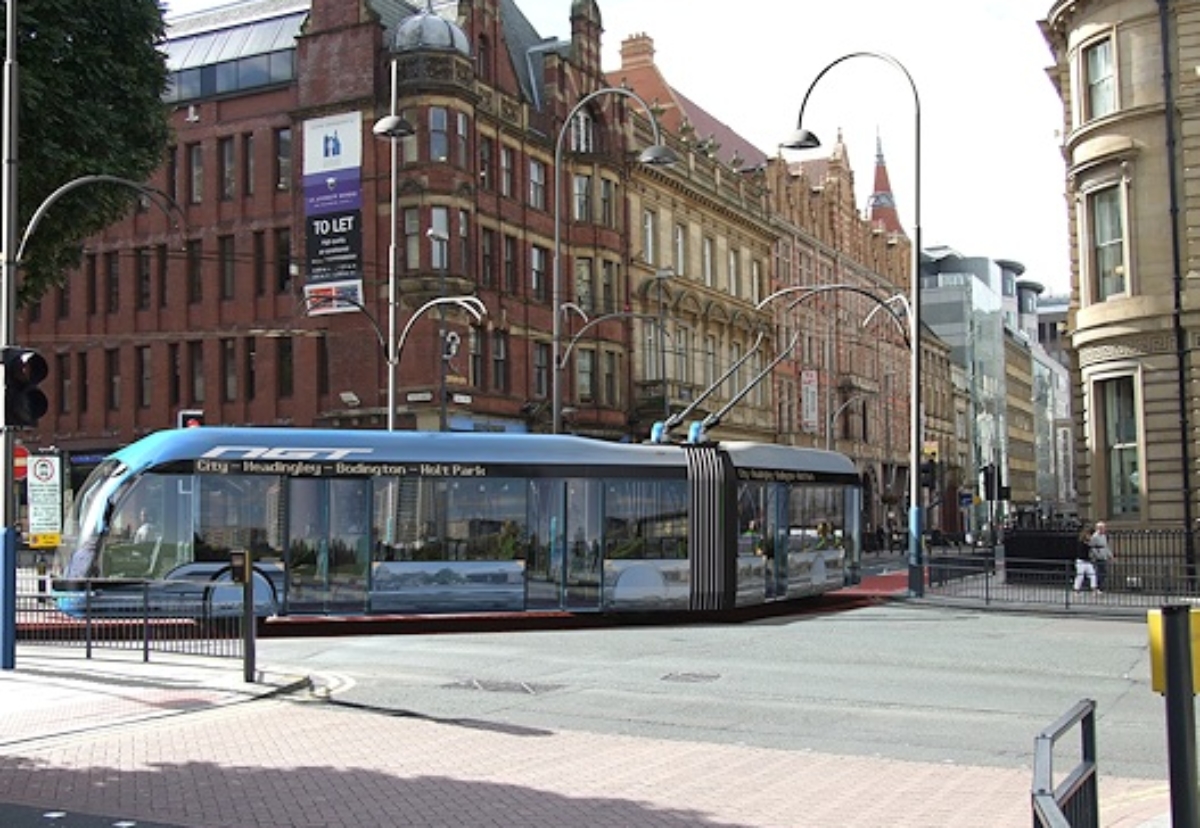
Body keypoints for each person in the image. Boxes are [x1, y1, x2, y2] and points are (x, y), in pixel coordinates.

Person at [1089, 521, 1112, 592]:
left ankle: (1101, 587)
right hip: (1098, 557)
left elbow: (1106, 546)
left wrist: (1110, 555)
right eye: (1102, 528)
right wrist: (1097, 555)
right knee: (1099, 572)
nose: (1104, 529)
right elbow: (1092, 547)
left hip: (1103, 555)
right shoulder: (1094, 537)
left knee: (1103, 572)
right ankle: (1097, 587)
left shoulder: (1104, 536)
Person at [1074, 525, 1097, 592]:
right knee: (1080, 575)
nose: (1090, 537)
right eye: (1089, 535)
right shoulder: (1081, 542)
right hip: (1081, 561)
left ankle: (1093, 588)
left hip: (1087, 561)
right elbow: (1082, 553)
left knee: (1093, 574)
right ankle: (1076, 589)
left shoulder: (1088, 542)